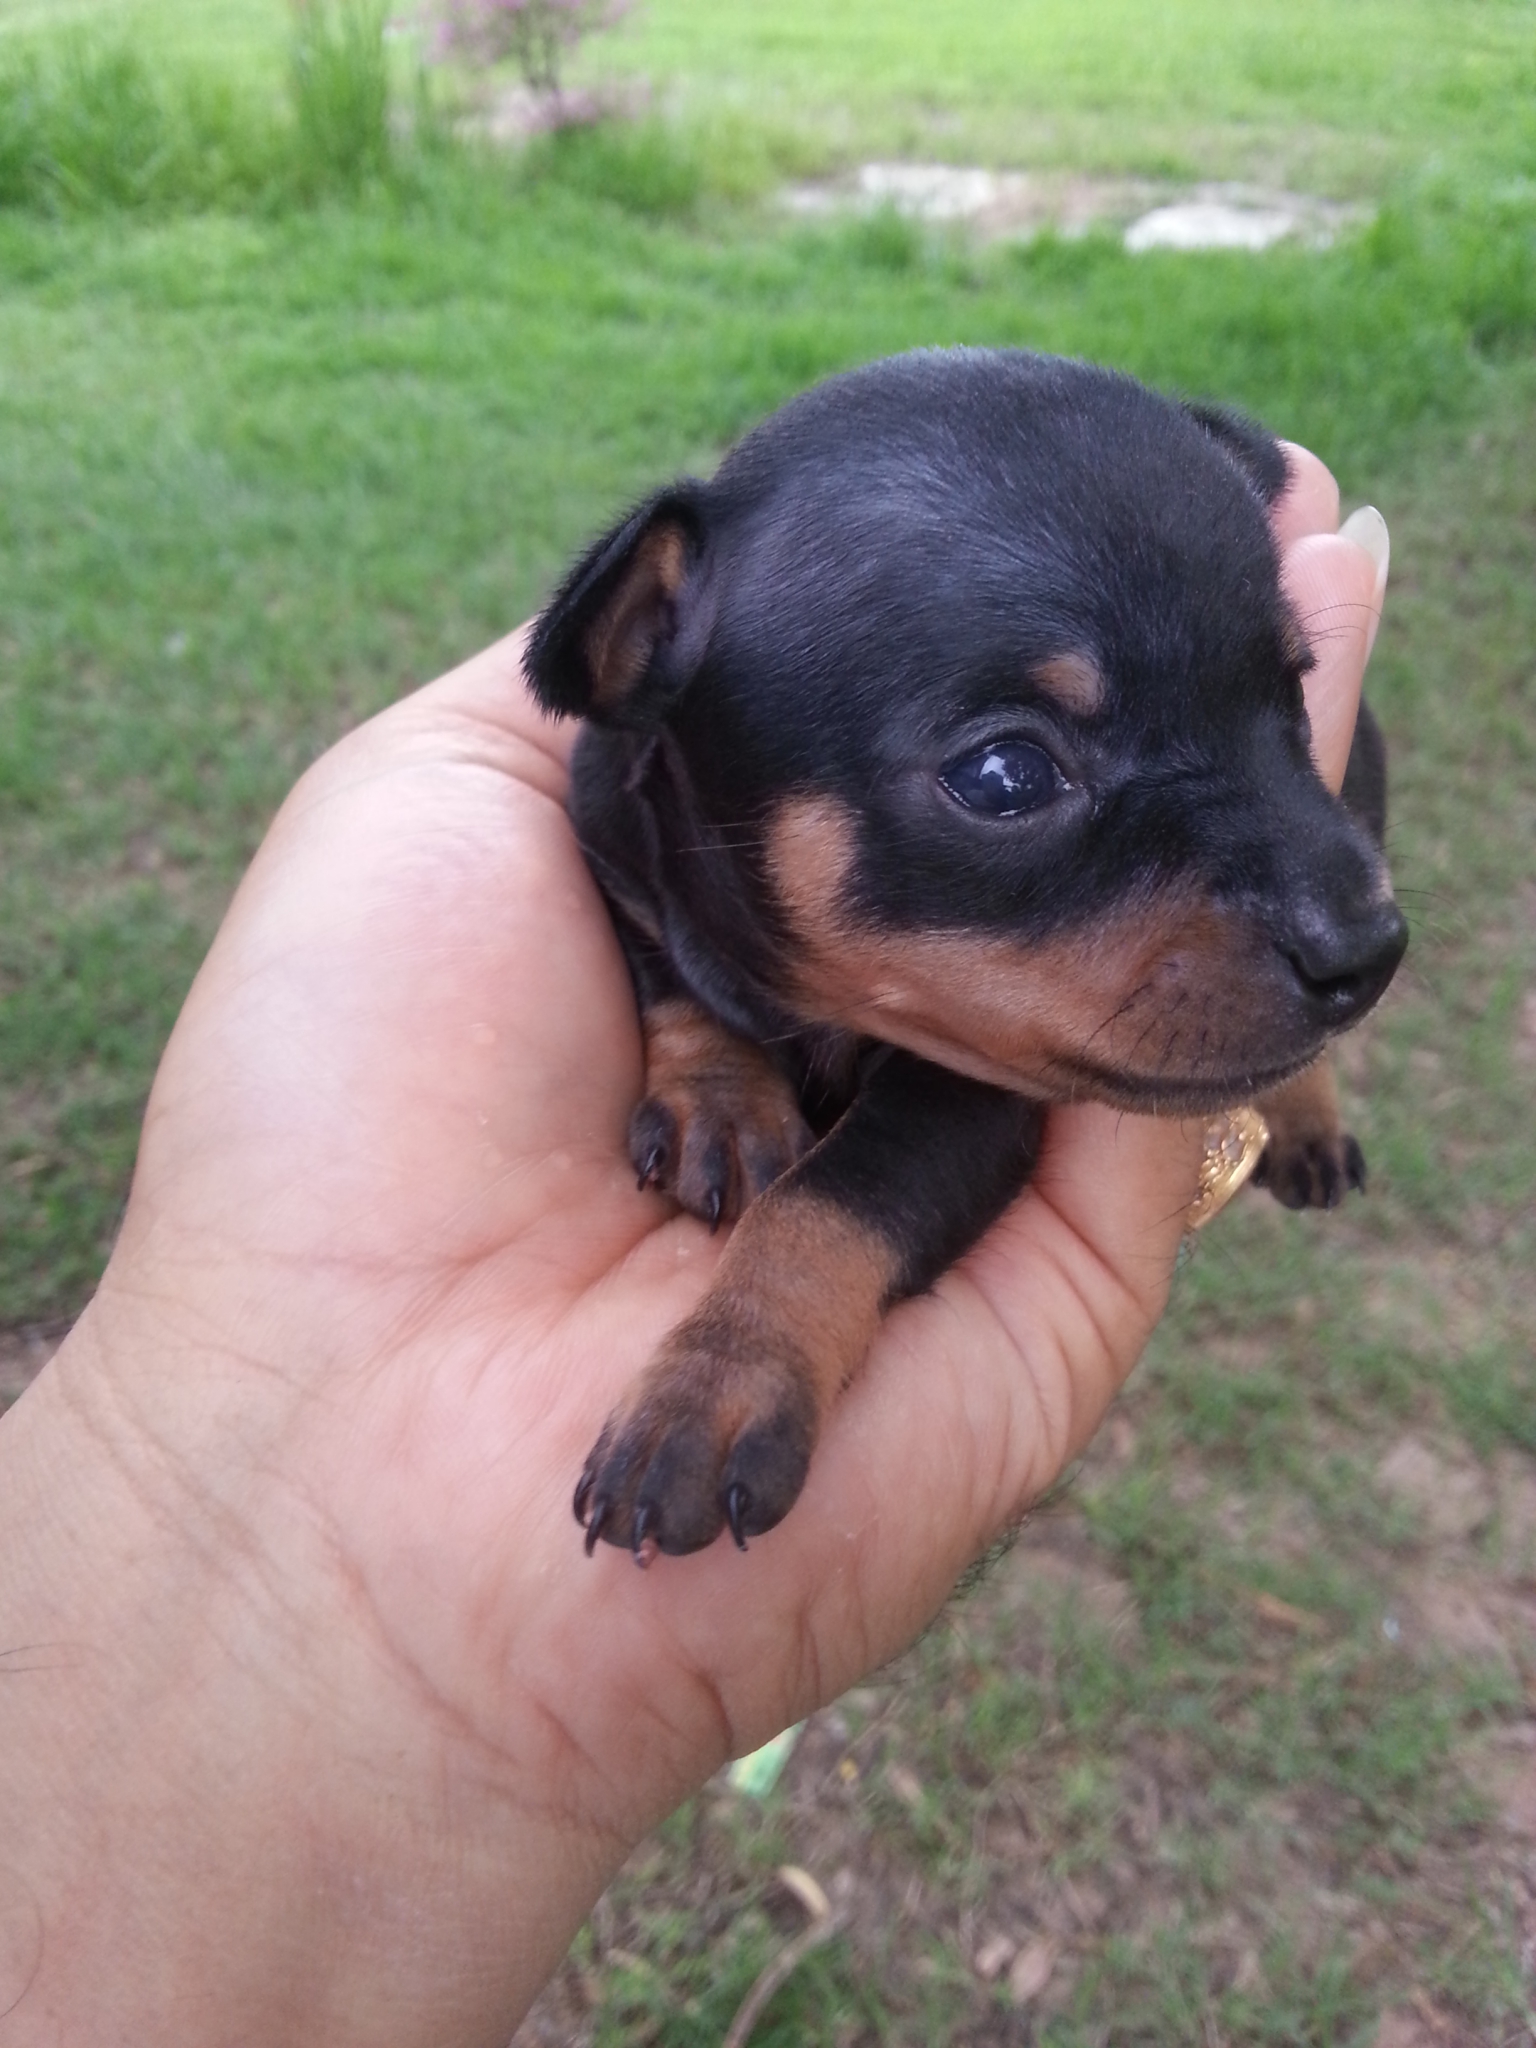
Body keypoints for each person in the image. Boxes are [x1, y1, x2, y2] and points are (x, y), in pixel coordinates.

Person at [0, 447, 1385, 2042]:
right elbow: (645, 893)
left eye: (1283, 688)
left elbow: (979, 1101)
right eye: (1009, 773)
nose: (1357, 913)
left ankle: (1298, 1072)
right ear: (641, 659)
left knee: (1276, 967)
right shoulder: (621, 787)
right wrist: (695, 1041)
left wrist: (770, 1312)